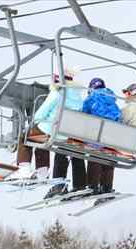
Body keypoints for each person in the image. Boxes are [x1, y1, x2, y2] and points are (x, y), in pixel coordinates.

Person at [16, 68, 87, 199]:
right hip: (65, 134)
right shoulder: (78, 98)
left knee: (26, 136)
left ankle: (25, 169)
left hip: (50, 129)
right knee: (41, 141)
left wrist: (35, 120)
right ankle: (42, 172)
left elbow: (41, 113)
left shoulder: (57, 93)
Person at [82, 79, 121, 199]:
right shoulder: (112, 100)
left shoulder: (91, 99)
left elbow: (83, 115)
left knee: (95, 155)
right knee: (108, 157)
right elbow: (118, 116)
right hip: (113, 135)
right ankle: (107, 187)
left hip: (97, 133)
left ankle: (92, 186)